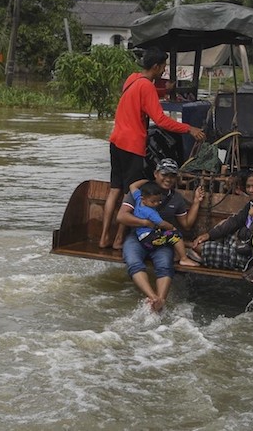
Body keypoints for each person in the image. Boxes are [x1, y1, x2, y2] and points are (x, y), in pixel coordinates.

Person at [99, 47, 206, 249]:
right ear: (156, 67)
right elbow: (161, 120)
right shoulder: (146, 87)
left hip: (116, 141)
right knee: (131, 192)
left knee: (115, 190)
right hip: (132, 144)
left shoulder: (132, 79)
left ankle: (104, 237)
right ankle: (119, 240)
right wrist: (189, 128)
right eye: (163, 67)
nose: (164, 71)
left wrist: (165, 91)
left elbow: (144, 92)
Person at [116, 158, 205, 312]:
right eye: (164, 174)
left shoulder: (176, 198)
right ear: (156, 174)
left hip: (160, 240)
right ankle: (152, 296)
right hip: (137, 237)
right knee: (133, 261)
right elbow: (121, 217)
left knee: (165, 264)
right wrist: (144, 223)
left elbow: (186, 224)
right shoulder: (143, 193)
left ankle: (160, 300)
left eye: (172, 176)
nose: (168, 179)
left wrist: (196, 202)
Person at [191, 171, 253, 270]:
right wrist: (209, 235)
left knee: (199, 248)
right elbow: (235, 221)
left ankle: (205, 257)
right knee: (223, 228)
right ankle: (208, 256)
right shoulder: (251, 204)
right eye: (248, 186)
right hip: (240, 244)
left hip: (248, 256)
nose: (250, 190)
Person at [129, 180, 200, 269]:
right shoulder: (150, 212)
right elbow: (162, 223)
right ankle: (184, 258)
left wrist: (146, 180)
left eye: (159, 201)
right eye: (153, 201)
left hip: (143, 238)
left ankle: (177, 254)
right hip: (150, 240)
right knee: (176, 235)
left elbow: (132, 186)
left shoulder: (139, 199)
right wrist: (172, 228)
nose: (157, 203)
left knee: (166, 235)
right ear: (144, 199)